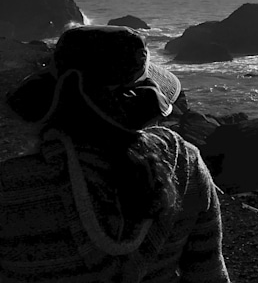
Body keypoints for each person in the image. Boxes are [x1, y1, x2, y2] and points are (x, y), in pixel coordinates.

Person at [0, 25, 230, 283]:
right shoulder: (184, 164)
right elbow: (209, 274)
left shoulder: (10, 184)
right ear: (143, 102)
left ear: (51, 97)